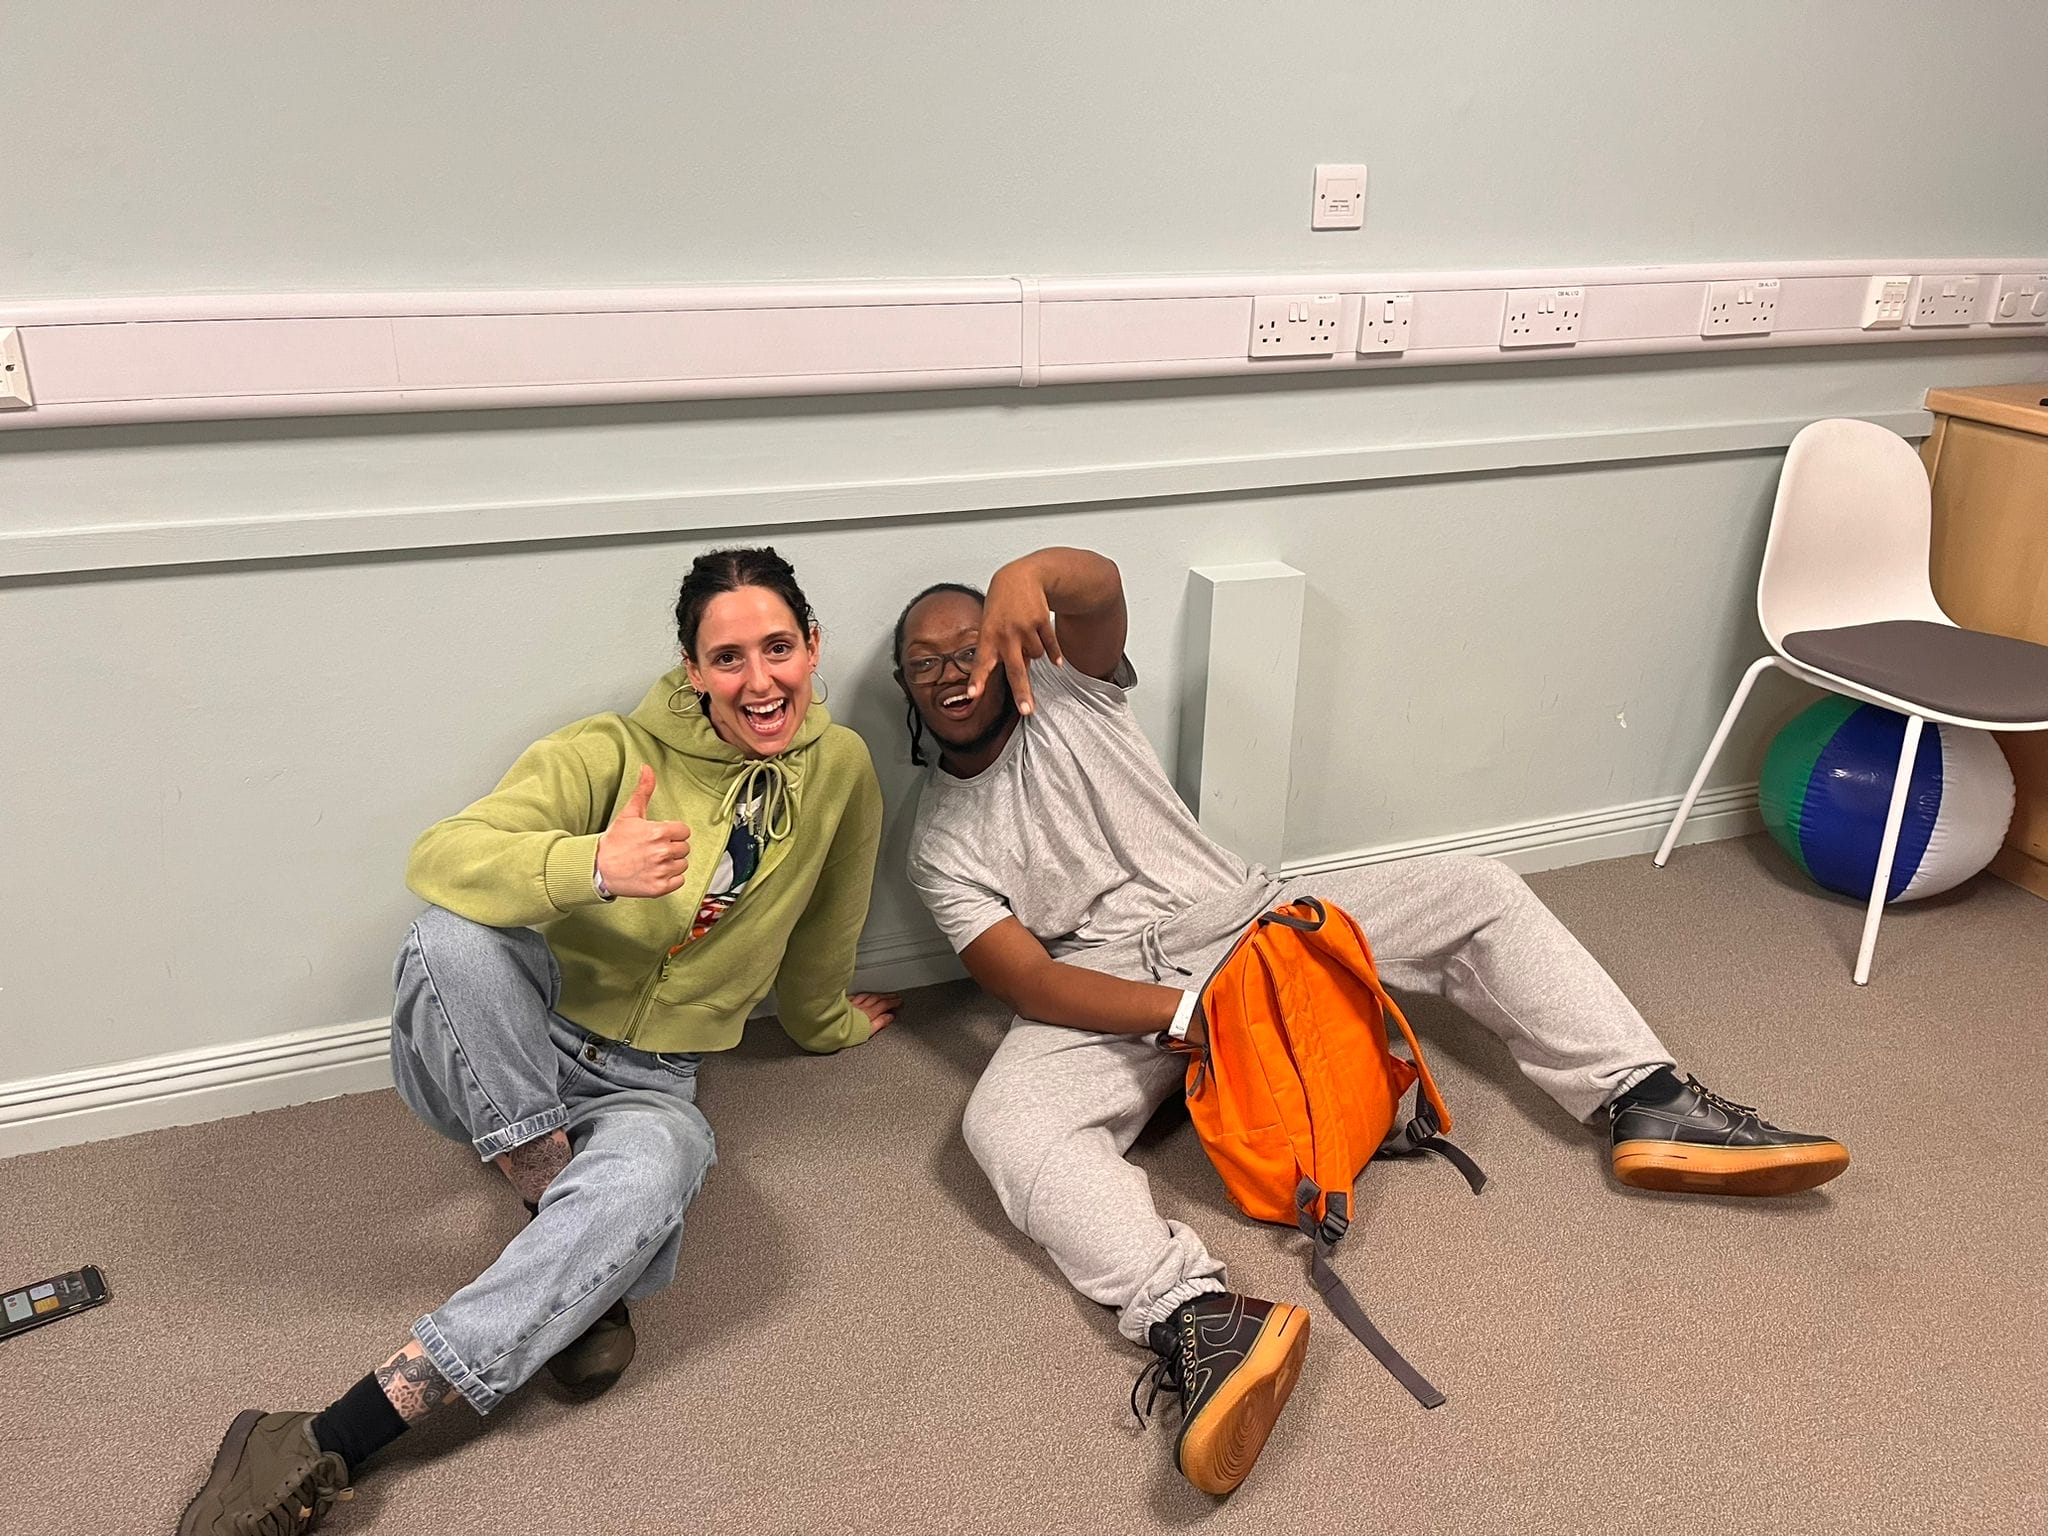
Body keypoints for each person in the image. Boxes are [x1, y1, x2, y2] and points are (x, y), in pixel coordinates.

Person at [894, 546, 1848, 1497]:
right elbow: (1032, 985)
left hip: (1251, 913)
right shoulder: (940, 841)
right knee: (1003, 1123)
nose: (950, 671)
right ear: (907, 691)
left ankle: (1645, 1098)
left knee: (1473, 887)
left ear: (1010, 644)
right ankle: (1200, 1319)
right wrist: (1198, 1016)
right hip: (1117, 991)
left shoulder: (1072, 689)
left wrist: (1031, 573)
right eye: (924, 661)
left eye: (968, 643)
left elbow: (1096, 589)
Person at [180, 547, 897, 1535]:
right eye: (727, 658)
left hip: (651, 1081)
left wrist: (830, 1023)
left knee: (668, 1164)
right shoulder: (606, 751)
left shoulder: (843, 771)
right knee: (449, 939)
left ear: (812, 647)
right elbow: (443, 859)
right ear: (691, 669)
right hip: (506, 1050)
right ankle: (571, 1238)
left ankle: (329, 1434)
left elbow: (828, 924)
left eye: (778, 648)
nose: (759, 680)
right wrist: (591, 865)